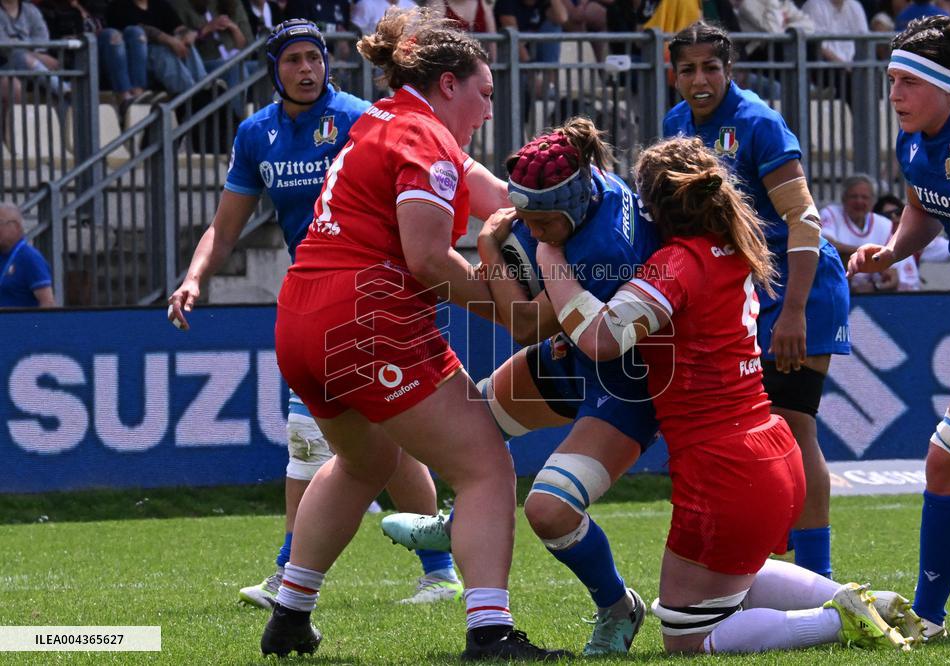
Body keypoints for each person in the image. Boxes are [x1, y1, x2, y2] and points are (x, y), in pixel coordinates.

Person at [256, 8, 564, 659]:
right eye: (483, 91)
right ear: (448, 84)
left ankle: (289, 613)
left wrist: (575, 209)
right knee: (484, 466)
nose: (488, 106)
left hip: (301, 318)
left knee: (365, 461)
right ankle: (489, 631)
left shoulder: (386, 118)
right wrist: (514, 312)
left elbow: (504, 197)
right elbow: (426, 258)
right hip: (365, 319)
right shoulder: (425, 138)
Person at [538, 135, 917, 655]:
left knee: (688, 639)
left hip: (725, 470)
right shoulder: (733, 248)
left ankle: (836, 621)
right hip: (769, 451)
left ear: (654, 209)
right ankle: (861, 599)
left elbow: (602, 338)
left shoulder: (676, 265)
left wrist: (551, 258)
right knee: (735, 581)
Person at [167, 19, 464, 610]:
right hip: (319, 298)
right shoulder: (257, 135)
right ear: (272, 69)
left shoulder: (359, 116)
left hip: (376, 295)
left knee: (317, 440)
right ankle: (440, 569)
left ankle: (291, 573)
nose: (306, 69)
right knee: (381, 446)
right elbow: (225, 228)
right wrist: (194, 277)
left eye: (315, 57)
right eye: (293, 60)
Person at [385, 118, 662, 655]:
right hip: (576, 351)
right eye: (526, 220)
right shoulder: (588, 186)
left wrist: (489, 247)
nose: (533, 234)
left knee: (549, 510)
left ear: (573, 207)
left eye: (543, 224)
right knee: (467, 431)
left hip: (627, 383)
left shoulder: (602, 247)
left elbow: (526, 324)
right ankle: (463, 520)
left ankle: (618, 607)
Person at [662, 21, 851, 579]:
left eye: (711, 68)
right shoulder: (677, 126)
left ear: (730, 71)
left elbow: (804, 218)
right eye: (689, 69)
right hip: (743, 293)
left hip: (800, 286)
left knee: (793, 424)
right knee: (753, 429)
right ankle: (774, 568)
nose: (701, 79)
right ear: (673, 76)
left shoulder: (759, 124)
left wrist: (792, 311)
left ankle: (818, 576)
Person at [847, 15, 950, 640]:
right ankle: (929, 614)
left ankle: (928, 618)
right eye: (889, 81)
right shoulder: (913, 143)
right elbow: (921, 208)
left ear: (945, 86)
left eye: (908, 82)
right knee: (949, 464)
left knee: (946, 460)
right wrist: (891, 250)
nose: (894, 95)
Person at [820, 173, 919, 292]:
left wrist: (876, 286)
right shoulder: (830, 214)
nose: (859, 201)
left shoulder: (883, 224)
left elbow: (892, 270)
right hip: (835, 288)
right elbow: (827, 246)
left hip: (872, 295)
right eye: (853, 196)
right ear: (843, 198)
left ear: (873, 201)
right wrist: (867, 254)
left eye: (864, 197)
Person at [0, 203, 55, 308]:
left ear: (15, 226)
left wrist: (35, 324)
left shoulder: (30, 258)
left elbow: (48, 303)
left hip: (20, 323)